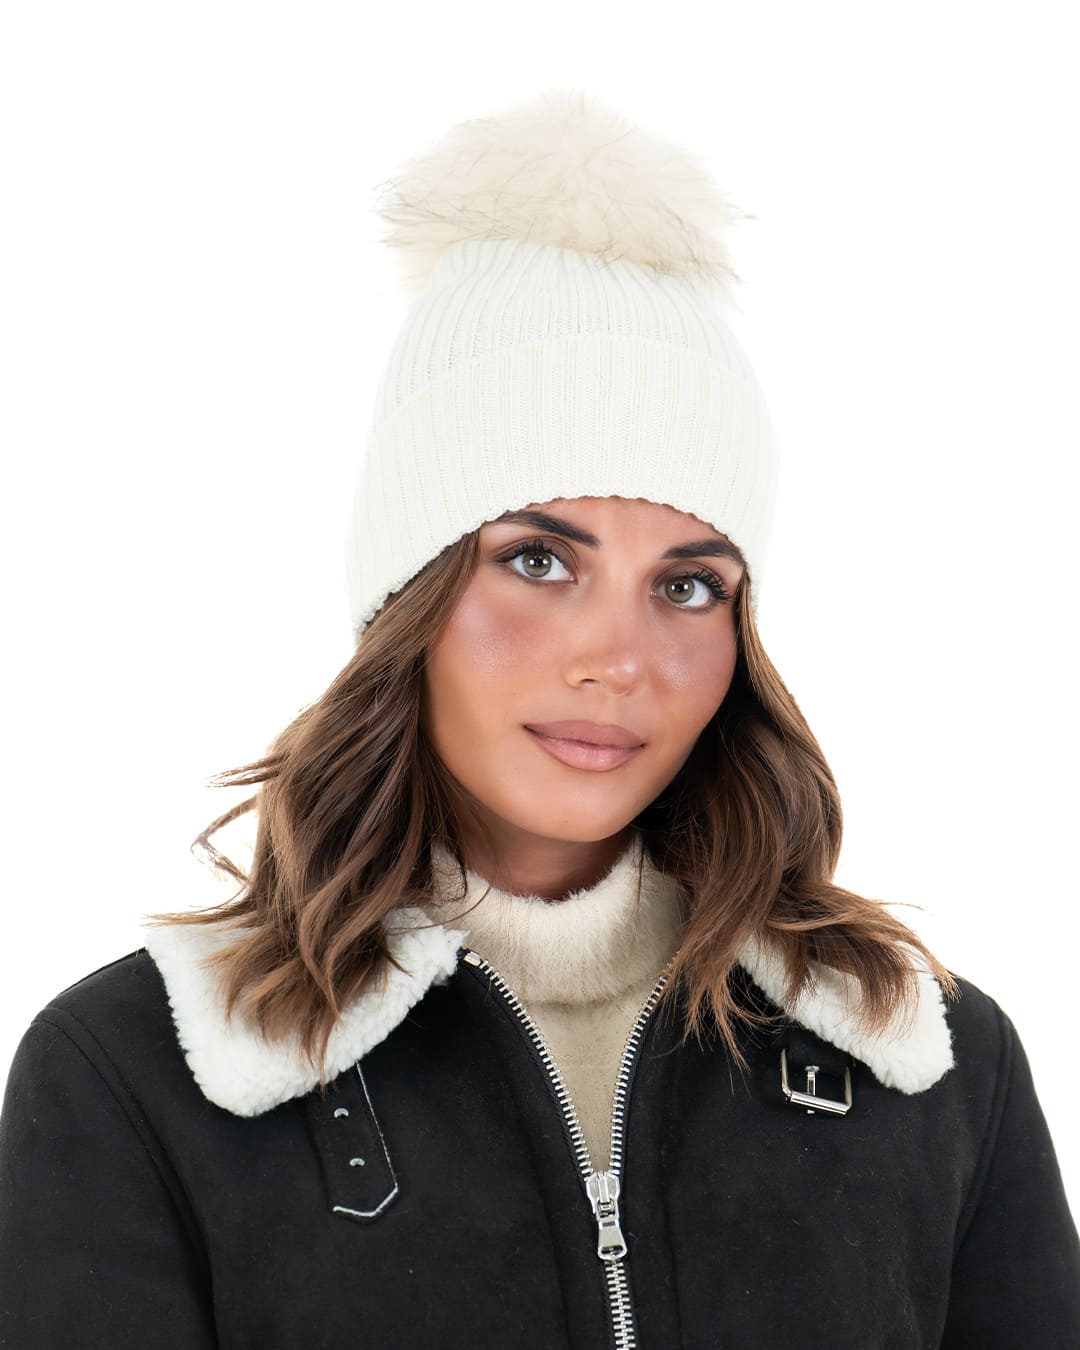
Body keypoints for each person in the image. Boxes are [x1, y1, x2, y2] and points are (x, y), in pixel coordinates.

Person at [1, 87, 1078, 1350]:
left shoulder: (928, 1059)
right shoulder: (142, 1072)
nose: (618, 659)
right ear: (408, 593)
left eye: (688, 585)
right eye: (537, 560)